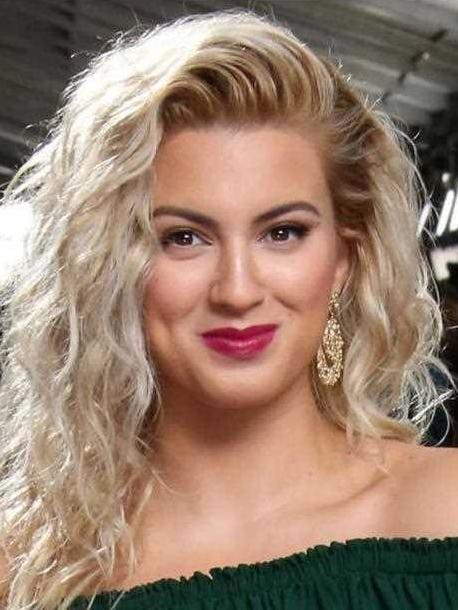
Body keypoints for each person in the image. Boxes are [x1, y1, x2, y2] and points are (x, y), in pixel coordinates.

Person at [0, 8, 457, 610]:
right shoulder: (27, 569)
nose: (237, 291)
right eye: (183, 238)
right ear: (108, 265)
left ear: (343, 259)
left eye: (283, 233)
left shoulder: (444, 512)